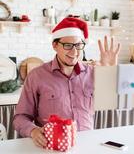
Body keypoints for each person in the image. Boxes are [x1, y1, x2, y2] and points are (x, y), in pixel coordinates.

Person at [13, 17, 120, 148]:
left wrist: (110, 73)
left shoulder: (93, 73)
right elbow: (20, 118)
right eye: (68, 45)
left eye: (78, 45)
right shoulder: (36, 76)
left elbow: (110, 105)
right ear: (55, 45)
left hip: (88, 146)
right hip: (52, 147)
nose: (74, 52)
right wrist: (33, 131)